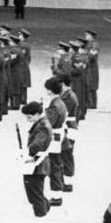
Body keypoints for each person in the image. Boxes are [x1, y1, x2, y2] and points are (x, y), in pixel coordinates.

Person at [20, 101, 51, 217]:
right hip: (37, 163)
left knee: (35, 196)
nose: (28, 119)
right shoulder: (41, 123)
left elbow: (37, 145)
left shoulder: (42, 126)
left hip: (37, 164)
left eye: (30, 116)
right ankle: (44, 209)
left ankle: (41, 215)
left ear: (38, 114)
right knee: (34, 194)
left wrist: (26, 152)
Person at [43, 77, 67, 207]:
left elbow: (48, 123)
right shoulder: (60, 102)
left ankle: (56, 195)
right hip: (58, 136)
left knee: (54, 167)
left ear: (50, 90)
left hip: (54, 138)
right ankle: (57, 192)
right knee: (56, 165)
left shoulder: (54, 105)